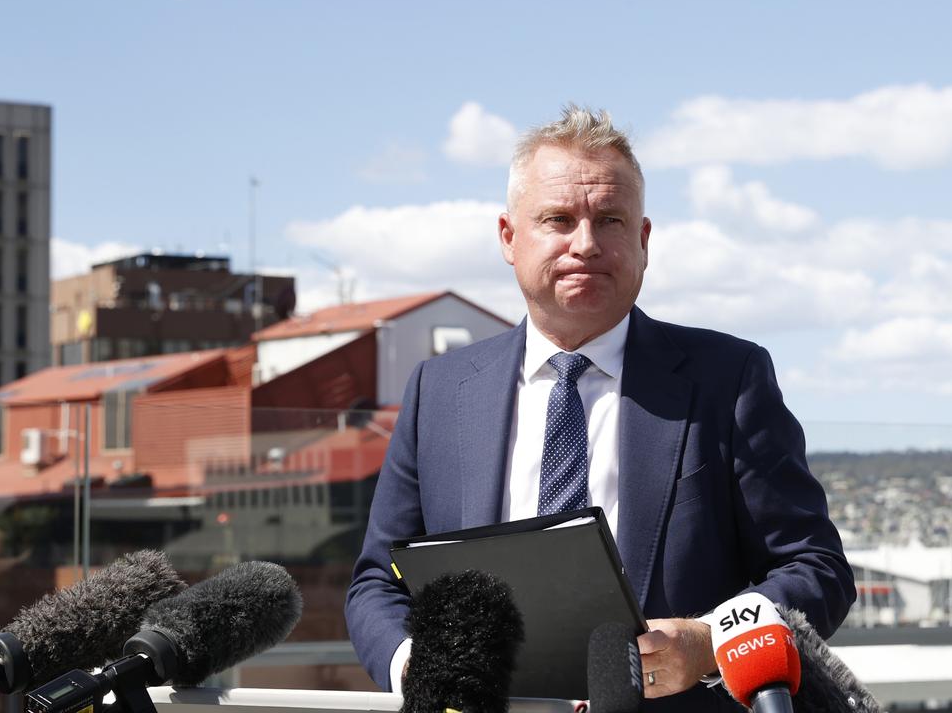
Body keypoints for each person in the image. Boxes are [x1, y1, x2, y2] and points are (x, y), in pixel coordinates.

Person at [345, 105, 854, 711]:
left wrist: (711, 641)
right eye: (558, 220)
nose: (584, 245)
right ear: (509, 237)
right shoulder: (440, 391)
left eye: (609, 220)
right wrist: (419, 670)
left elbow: (816, 568)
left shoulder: (728, 379)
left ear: (642, 240)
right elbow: (379, 581)